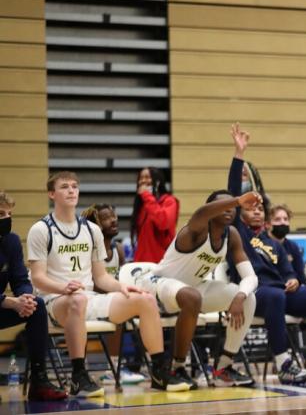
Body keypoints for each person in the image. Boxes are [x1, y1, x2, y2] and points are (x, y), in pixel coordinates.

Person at [27, 171, 189, 397]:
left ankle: (160, 372)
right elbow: (37, 277)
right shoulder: (41, 229)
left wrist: (122, 287)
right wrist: (62, 288)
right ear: (52, 194)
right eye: (64, 187)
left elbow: (101, 277)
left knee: (145, 299)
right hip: (54, 301)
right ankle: (78, 376)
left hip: (88, 298)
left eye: (74, 186)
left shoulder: (91, 230)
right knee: (77, 300)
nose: (71, 190)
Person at [228, 123, 306, 384]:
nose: (258, 211)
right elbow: (233, 198)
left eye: (261, 208)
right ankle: (284, 364)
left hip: (283, 293)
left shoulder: (273, 243)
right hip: (256, 294)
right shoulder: (238, 233)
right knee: (273, 296)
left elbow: (287, 271)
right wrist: (239, 155)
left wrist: (293, 279)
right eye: (252, 208)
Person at [134, 189, 260, 389]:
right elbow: (201, 213)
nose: (229, 209)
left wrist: (240, 295)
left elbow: (251, 277)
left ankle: (223, 368)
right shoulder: (198, 228)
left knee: (248, 298)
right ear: (211, 209)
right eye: (223, 205)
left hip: (191, 290)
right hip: (158, 284)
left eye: (232, 207)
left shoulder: (232, 235)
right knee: (192, 296)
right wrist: (236, 200)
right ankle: (178, 367)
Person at [0, 191, 67, 401]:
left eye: (9, 214)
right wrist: (9, 302)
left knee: (36, 306)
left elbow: (20, 279)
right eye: (1, 214)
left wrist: (25, 298)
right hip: (2, 303)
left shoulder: (10, 242)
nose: (6, 219)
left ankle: (39, 381)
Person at [82, 203, 146, 385]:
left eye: (114, 216)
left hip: (109, 300)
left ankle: (124, 367)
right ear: (96, 225)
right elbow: (89, 284)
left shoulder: (118, 249)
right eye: (107, 218)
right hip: (90, 301)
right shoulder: (88, 250)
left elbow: (124, 279)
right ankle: (84, 369)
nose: (114, 220)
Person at [132, 167, 179, 263]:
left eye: (147, 177)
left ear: (158, 182)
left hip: (161, 264)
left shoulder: (169, 201)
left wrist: (146, 195)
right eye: (140, 178)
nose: (143, 181)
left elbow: (163, 222)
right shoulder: (143, 206)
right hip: (142, 264)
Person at [267, 204, 306, 285]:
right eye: (277, 219)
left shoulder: (293, 246)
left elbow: (301, 276)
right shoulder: (261, 244)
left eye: (286, 219)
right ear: (268, 224)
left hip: (294, 288)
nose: (283, 222)